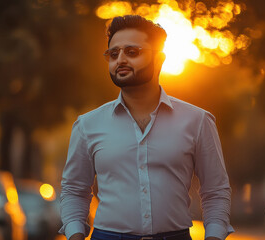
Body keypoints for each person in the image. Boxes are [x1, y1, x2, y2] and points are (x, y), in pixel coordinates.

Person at [59, 15, 234, 240]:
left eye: (132, 52)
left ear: (159, 59)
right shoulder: (87, 125)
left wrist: (214, 236)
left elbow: (216, 191)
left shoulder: (198, 121)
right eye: (114, 54)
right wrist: (74, 235)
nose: (120, 59)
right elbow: (74, 190)